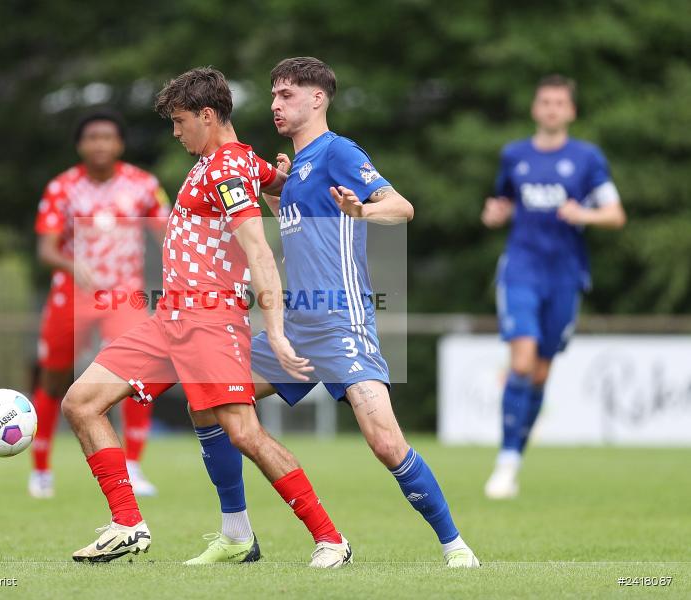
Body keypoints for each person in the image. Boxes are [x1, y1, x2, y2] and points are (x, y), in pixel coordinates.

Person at [185, 57, 480, 568]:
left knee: (386, 444)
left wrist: (363, 209)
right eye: (274, 95)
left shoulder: (337, 151)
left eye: (287, 95)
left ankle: (455, 546)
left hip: (342, 323)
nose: (276, 104)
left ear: (317, 99)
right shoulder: (296, 170)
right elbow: (301, 228)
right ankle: (237, 534)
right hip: (296, 327)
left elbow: (402, 206)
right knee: (207, 401)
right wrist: (280, 195)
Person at [63, 67, 353, 568]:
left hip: (210, 321)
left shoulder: (225, 168)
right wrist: (281, 180)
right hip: (169, 319)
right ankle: (130, 525)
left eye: (179, 122)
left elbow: (259, 251)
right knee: (82, 402)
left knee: (244, 433)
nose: (175, 133)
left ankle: (331, 539)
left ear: (206, 115)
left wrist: (277, 332)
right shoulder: (229, 162)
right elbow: (282, 189)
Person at [482, 75, 626, 499]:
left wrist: (585, 215)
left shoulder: (586, 158)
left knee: (541, 373)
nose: (551, 109)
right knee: (522, 362)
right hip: (521, 269)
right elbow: (502, 203)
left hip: (565, 275)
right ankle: (505, 462)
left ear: (571, 111)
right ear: (534, 108)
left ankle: (515, 460)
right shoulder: (515, 155)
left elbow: (615, 214)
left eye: (559, 103)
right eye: (544, 102)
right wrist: (495, 213)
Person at [30, 110, 169, 499]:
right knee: (54, 379)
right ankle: (40, 469)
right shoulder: (63, 187)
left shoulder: (143, 185)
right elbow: (46, 248)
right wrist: (72, 262)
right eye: (92, 137)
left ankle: (134, 466)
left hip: (124, 293)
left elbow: (168, 235)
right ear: (80, 145)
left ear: (120, 144)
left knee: (135, 372)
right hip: (73, 294)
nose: (100, 144)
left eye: (108, 137)